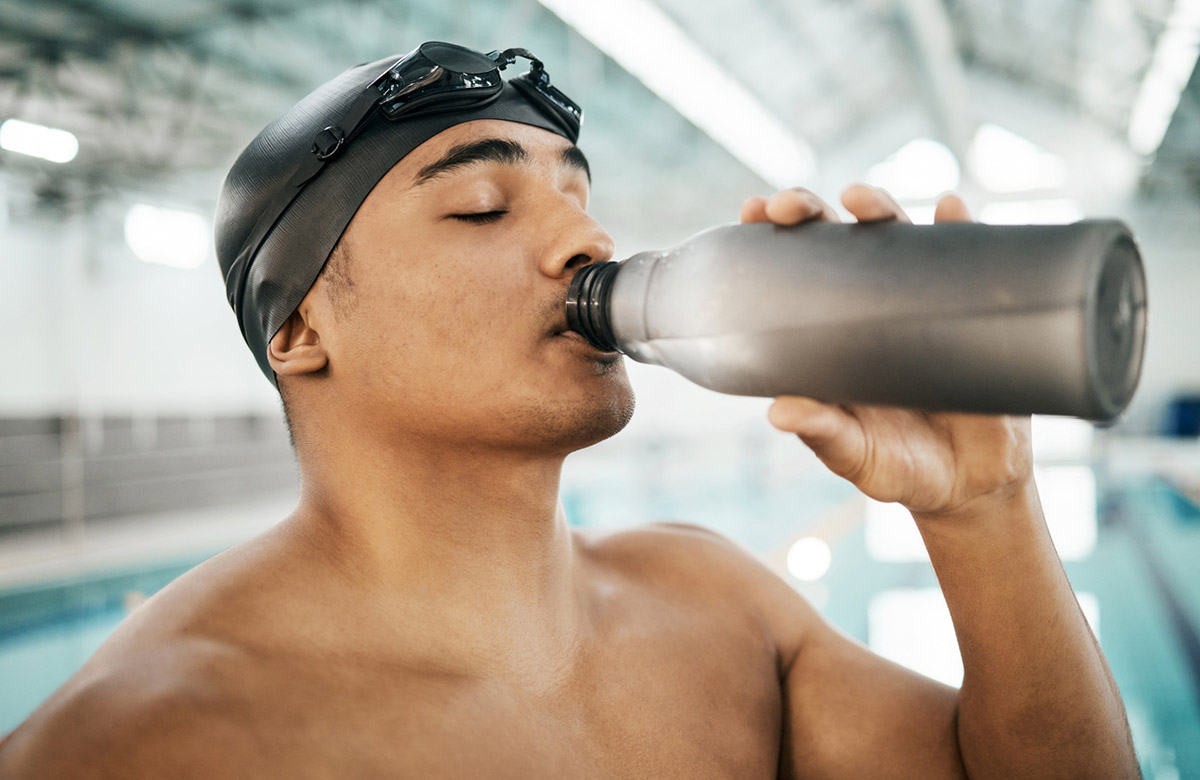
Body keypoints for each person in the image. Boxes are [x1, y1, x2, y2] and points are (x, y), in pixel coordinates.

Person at [0, 43, 1139, 779]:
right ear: (298, 329)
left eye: (577, 193)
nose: (586, 239)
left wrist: (984, 512)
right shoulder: (149, 746)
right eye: (484, 208)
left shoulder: (714, 608)